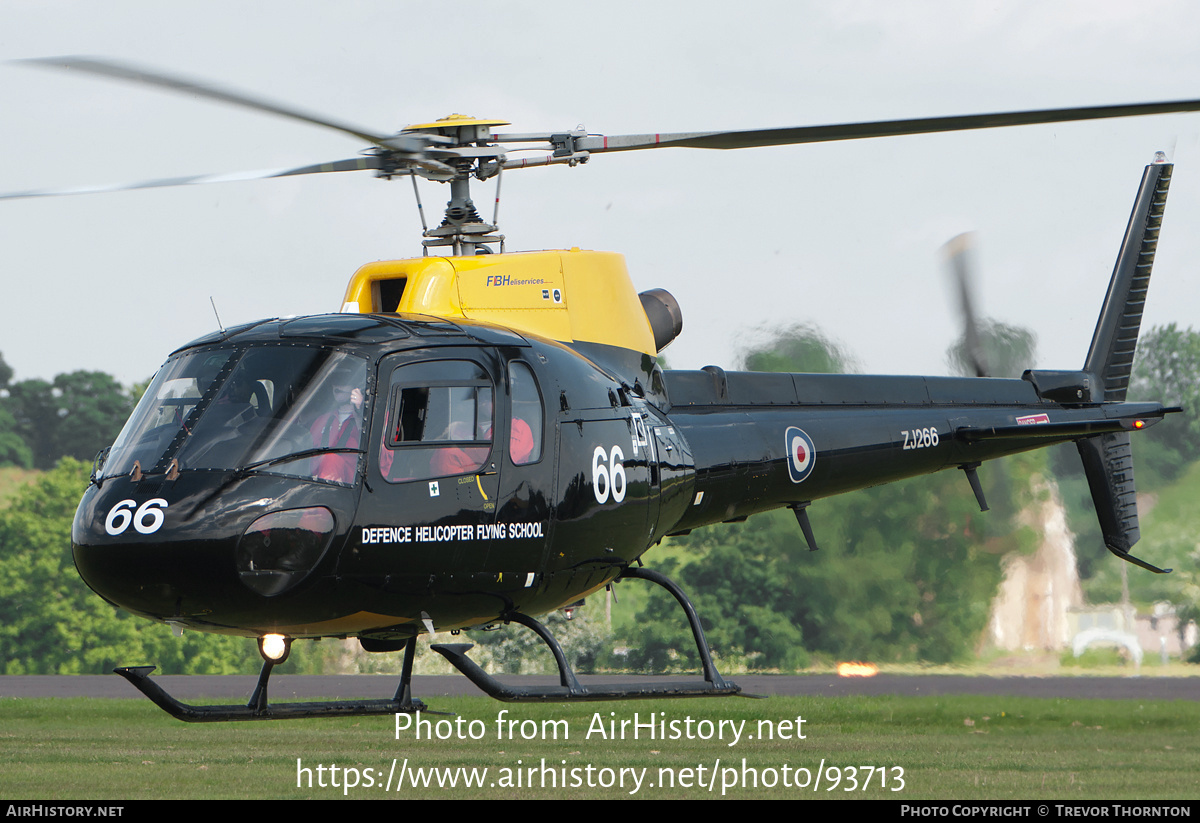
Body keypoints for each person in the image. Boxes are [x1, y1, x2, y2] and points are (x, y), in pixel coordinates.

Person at [310, 382, 363, 483]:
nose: (337, 387)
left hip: (350, 489)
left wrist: (360, 412)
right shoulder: (321, 420)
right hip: (316, 485)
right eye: (335, 381)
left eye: (342, 381)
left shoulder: (366, 421)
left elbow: (381, 461)